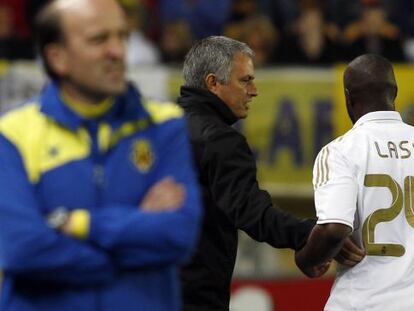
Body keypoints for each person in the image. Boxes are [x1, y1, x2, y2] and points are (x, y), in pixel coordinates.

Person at [0, 0, 202, 310]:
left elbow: (178, 235)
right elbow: (23, 249)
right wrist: (130, 242)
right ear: (57, 57)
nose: (118, 51)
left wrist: (78, 224)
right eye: (99, 39)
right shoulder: (13, 134)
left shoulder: (165, 125)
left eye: (122, 36)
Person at [177, 36, 364, 310]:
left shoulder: (159, 130)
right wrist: (312, 235)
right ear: (213, 83)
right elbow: (253, 213)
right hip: (194, 294)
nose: (254, 91)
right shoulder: (220, 141)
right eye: (245, 80)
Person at [295, 54, 414, 310]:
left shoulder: (340, 151)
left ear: (348, 97)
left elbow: (334, 229)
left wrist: (305, 259)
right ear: (394, 93)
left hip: (364, 300)